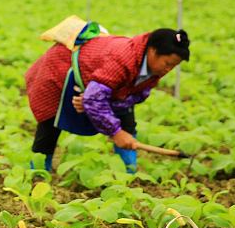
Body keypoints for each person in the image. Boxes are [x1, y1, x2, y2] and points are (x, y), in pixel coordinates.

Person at [25, 24, 190, 174]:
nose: (168, 69)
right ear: (153, 51)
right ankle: (38, 173)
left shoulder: (154, 69)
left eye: (173, 66)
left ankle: (128, 174)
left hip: (101, 85)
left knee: (127, 124)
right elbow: (94, 100)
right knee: (50, 122)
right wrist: (114, 130)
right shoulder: (123, 58)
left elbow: (134, 96)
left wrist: (99, 104)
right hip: (59, 67)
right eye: (167, 63)